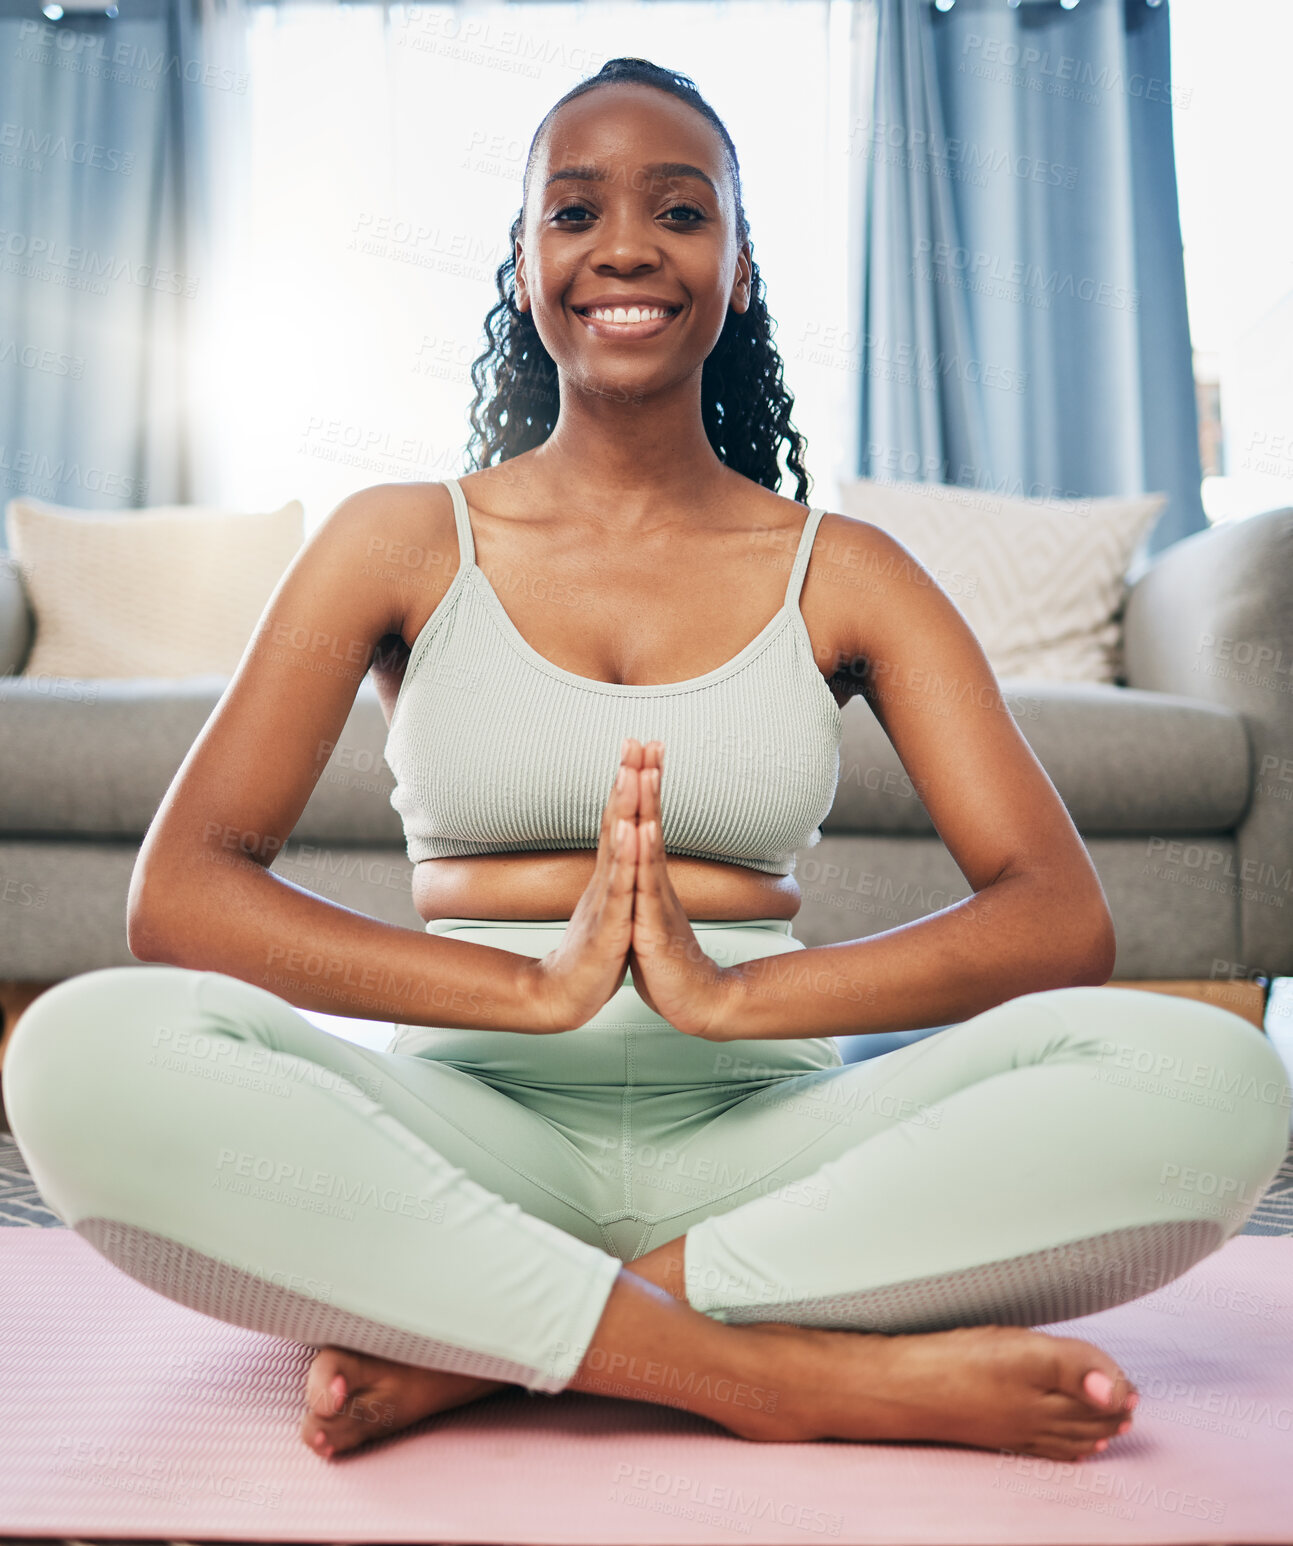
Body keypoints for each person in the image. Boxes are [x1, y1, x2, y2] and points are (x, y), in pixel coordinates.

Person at [6, 57, 1288, 1468]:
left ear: (738, 271)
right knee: (79, 1044)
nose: (624, 245)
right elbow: (181, 892)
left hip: (772, 1139)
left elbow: (1055, 910)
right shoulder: (396, 540)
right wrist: (530, 985)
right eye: (574, 212)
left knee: (1206, 1079)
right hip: (455, 1125)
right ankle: (782, 1374)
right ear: (523, 262)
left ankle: (493, 1342)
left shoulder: (847, 573)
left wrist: (741, 1001)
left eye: (679, 211)